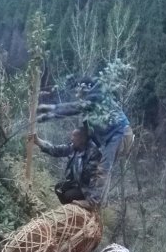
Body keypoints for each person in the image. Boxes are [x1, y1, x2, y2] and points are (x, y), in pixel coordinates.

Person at [37, 63, 134, 207]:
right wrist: (39, 141)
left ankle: (94, 201)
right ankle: (94, 199)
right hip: (111, 137)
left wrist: (51, 111)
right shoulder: (88, 121)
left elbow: (74, 108)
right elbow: (63, 148)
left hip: (121, 134)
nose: (79, 95)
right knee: (101, 167)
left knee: (103, 167)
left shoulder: (96, 96)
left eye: (80, 91)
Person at [33, 126, 102, 206]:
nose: (72, 139)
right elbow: (56, 150)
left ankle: (81, 210)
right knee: (59, 188)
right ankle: (71, 209)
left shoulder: (94, 153)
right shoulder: (74, 147)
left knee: (69, 195)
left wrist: (91, 201)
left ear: (82, 138)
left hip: (88, 190)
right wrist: (38, 141)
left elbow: (95, 179)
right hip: (77, 184)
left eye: (75, 136)